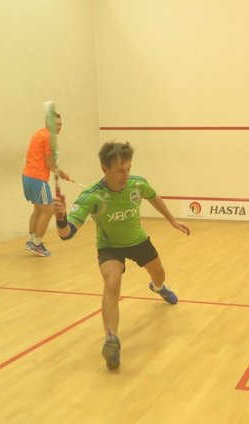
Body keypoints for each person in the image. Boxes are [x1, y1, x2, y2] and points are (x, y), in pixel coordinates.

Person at [52, 141, 190, 370]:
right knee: (112, 283)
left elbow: (153, 196)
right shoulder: (91, 197)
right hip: (110, 246)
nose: (125, 176)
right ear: (104, 169)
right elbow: (66, 234)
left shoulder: (137, 184)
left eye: (128, 169)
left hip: (138, 241)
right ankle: (111, 339)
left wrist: (172, 220)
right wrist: (61, 218)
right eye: (119, 171)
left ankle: (158, 288)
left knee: (159, 274)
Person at [21, 112, 72, 257]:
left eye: (60, 124)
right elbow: (50, 164)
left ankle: (31, 240)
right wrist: (62, 174)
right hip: (37, 178)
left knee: (38, 210)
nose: (59, 127)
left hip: (27, 177)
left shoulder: (39, 133)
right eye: (56, 124)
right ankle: (37, 244)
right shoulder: (49, 138)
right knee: (48, 210)